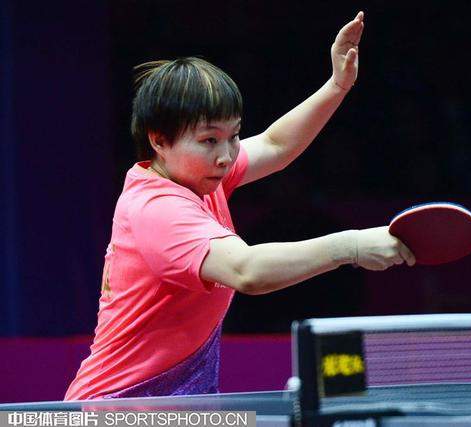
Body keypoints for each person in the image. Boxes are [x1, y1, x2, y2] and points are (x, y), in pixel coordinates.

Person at [64, 11, 414, 401]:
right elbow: (246, 271)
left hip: (175, 403)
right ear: (159, 140)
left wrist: (337, 86)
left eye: (233, 136)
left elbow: (275, 145)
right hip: (119, 407)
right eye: (209, 140)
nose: (226, 155)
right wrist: (348, 247)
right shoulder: (157, 209)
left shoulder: (197, 176)